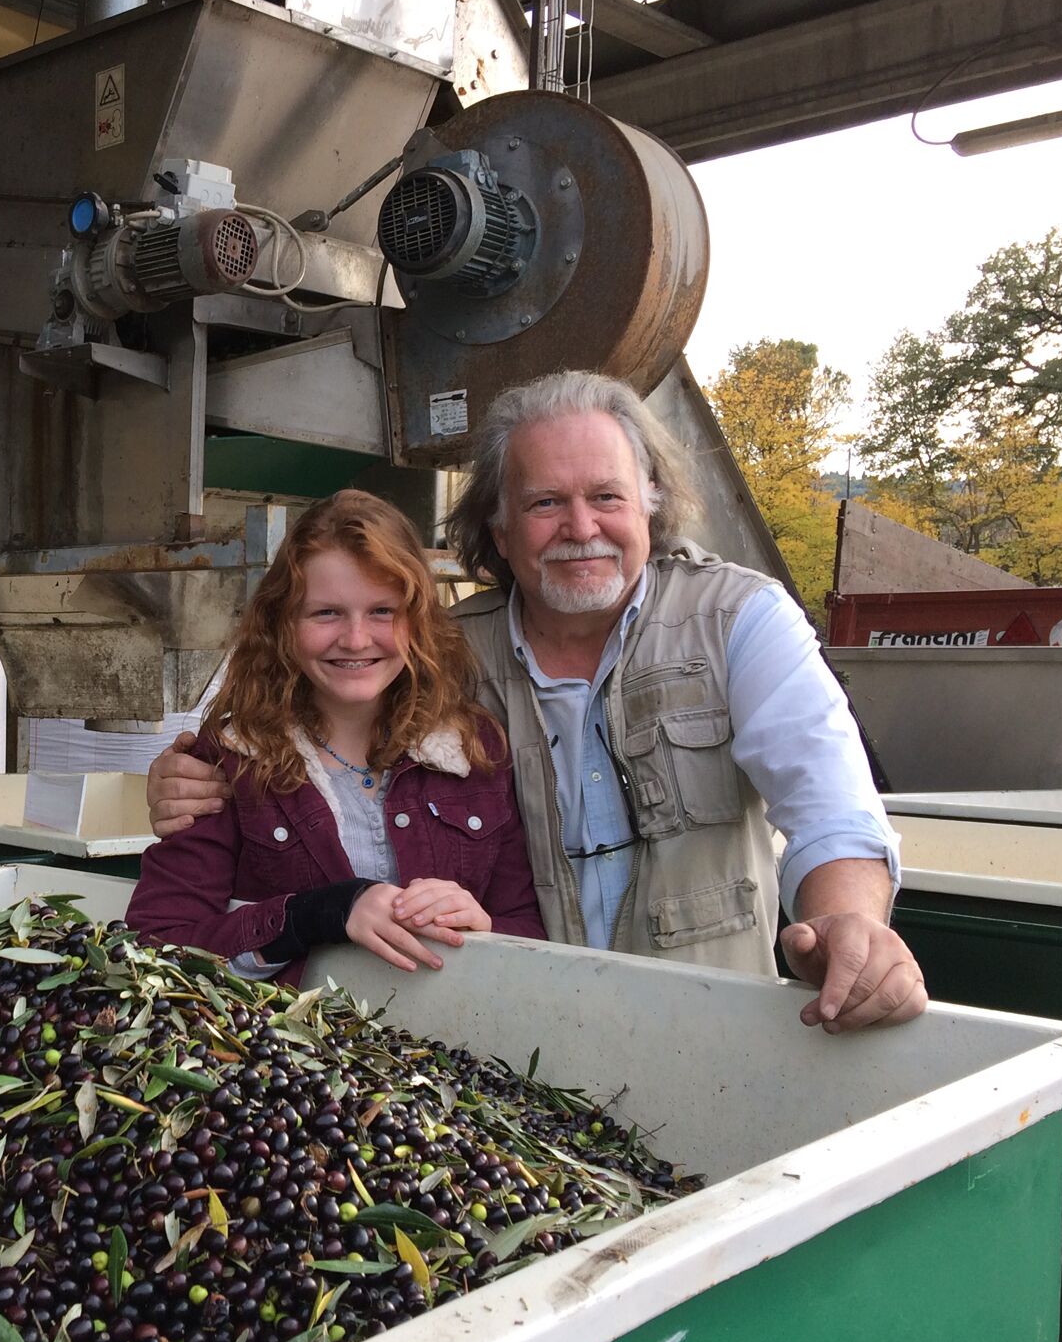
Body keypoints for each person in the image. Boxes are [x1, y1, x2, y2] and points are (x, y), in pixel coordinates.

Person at [146, 370, 928, 1033]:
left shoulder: (738, 620)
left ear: (651, 500)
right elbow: (311, 742)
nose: (580, 527)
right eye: (546, 502)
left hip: (706, 1025)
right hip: (529, 1036)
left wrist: (846, 923)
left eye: (606, 496)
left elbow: (829, 809)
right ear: (499, 522)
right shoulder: (442, 652)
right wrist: (191, 771)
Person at [125, 489, 544, 984]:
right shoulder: (231, 760)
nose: (356, 639)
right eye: (326, 613)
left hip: (445, 1050)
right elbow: (155, 947)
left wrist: (484, 928)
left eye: (383, 611)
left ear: (417, 621)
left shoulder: (474, 750)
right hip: (283, 1055)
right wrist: (314, 915)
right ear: (284, 623)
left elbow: (532, 936)